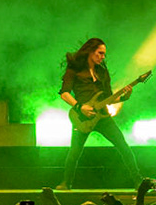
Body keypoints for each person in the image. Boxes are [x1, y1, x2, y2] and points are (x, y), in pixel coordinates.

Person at [57, 37, 144, 190]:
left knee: (123, 146)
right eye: (100, 53)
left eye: (104, 54)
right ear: (90, 52)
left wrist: (124, 97)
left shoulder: (102, 72)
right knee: (74, 152)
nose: (103, 57)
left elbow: (108, 98)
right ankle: (66, 183)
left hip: (103, 117)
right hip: (82, 117)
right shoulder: (74, 70)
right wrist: (79, 106)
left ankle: (138, 181)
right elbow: (64, 93)